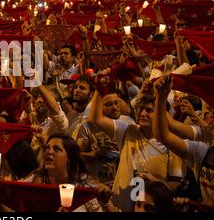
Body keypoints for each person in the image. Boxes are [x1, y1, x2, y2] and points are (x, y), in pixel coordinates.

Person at [88, 73, 183, 212]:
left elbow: (177, 184)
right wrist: (99, 90)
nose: (143, 113)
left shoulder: (171, 145)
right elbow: (95, 119)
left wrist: (156, 182)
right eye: (142, 109)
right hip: (117, 207)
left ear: (163, 115)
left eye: (149, 110)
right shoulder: (128, 131)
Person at [153, 74, 213, 205]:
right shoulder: (204, 150)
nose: (211, 119)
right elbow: (164, 136)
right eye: (210, 112)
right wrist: (160, 98)